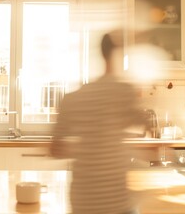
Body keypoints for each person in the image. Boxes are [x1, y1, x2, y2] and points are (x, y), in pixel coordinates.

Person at [51, 30, 144, 214]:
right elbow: (144, 125)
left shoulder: (71, 99)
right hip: (116, 202)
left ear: (100, 54)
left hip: (82, 202)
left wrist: (87, 146)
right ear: (118, 57)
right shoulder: (125, 92)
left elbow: (55, 150)